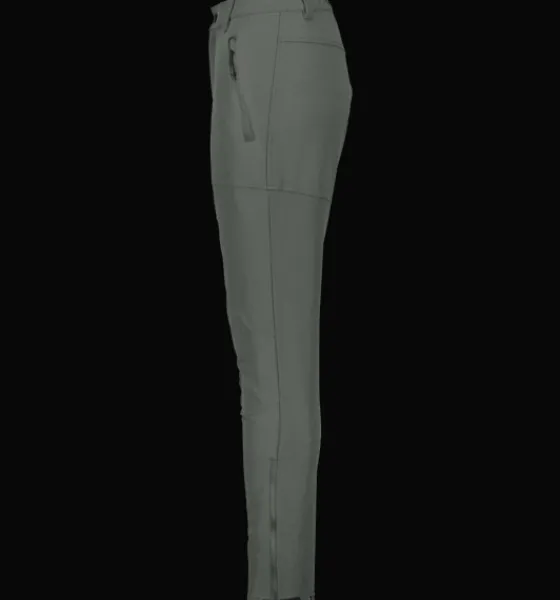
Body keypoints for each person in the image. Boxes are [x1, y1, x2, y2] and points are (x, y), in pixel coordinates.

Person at [209, 1, 352, 598]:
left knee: (273, 378)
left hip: (265, 51)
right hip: (276, 44)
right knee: (279, 372)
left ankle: (278, 590)